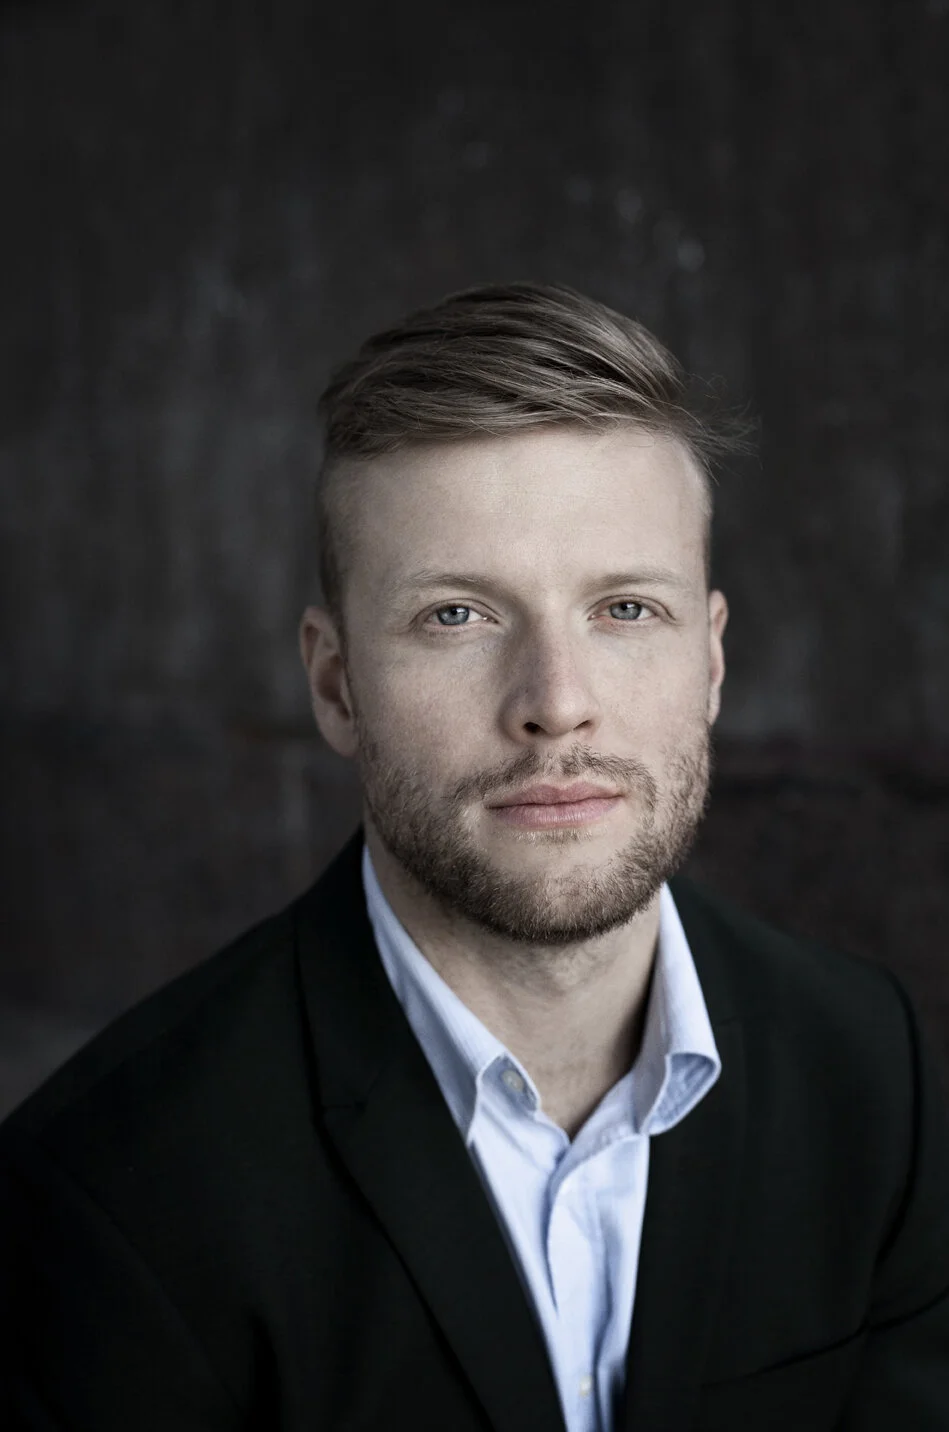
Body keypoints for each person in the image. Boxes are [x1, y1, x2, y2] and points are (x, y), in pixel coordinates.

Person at [1, 282, 948, 1432]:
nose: (555, 703)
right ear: (336, 685)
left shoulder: (876, 1076)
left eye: (624, 609)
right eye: (456, 615)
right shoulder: (109, 1194)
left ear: (708, 662)